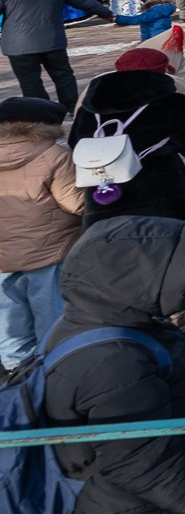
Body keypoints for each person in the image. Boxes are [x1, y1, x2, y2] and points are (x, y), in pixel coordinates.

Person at [39, 216, 185, 514]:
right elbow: (142, 460)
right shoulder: (112, 362)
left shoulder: (108, 318)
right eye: (176, 271)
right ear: (132, 277)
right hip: (144, 504)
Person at [0, 95, 86, 369]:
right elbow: (75, 203)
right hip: (49, 250)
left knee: (10, 322)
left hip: (3, 256)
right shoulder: (55, 155)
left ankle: (17, 373)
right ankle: (56, 370)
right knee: (52, 317)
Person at [71, 47, 185, 224]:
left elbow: (74, 143)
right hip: (162, 195)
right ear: (162, 71)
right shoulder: (173, 102)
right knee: (174, 248)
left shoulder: (90, 107)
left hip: (102, 194)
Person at [0, 0, 114, 111]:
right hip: (53, 41)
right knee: (63, 75)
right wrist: (107, 13)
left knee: (29, 80)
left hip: (18, 45)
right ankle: (71, 106)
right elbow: (83, 1)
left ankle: (40, 110)